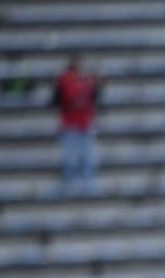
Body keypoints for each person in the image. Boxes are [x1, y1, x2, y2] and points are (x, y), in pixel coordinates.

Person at [53, 55, 102, 195]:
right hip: (71, 125)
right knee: (71, 158)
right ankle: (71, 188)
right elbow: (59, 100)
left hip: (84, 124)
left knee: (87, 158)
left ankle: (88, 189)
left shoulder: (86, 81)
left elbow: (94, 98)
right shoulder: (65, 81)